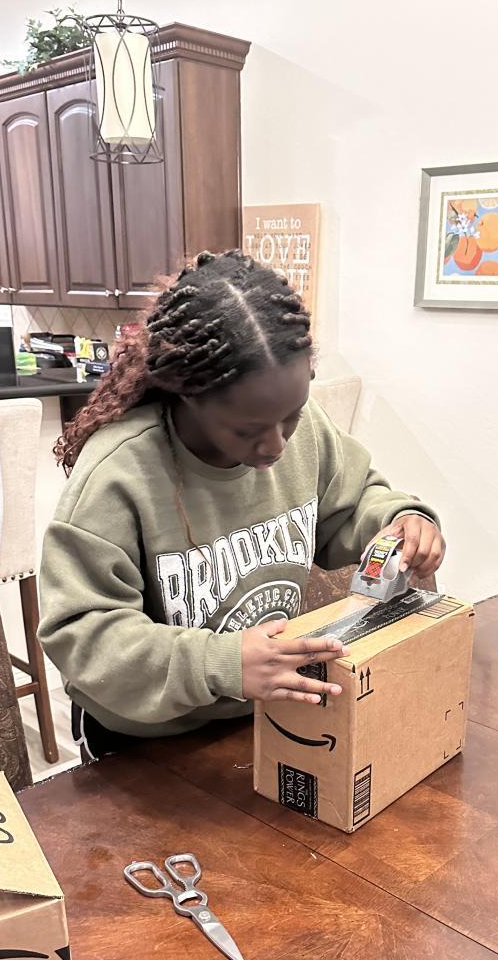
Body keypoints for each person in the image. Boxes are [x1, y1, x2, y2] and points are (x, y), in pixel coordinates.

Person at [38, 249, 445, 759]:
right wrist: (220, 663)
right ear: (188, 396)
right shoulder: (119, 474)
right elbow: (83, 635)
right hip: (146, 744)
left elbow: (353, 500)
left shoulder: (303, 431)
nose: (276, 445)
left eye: (291, 417)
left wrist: (398, 519)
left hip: (261, 714)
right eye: (248, 430)